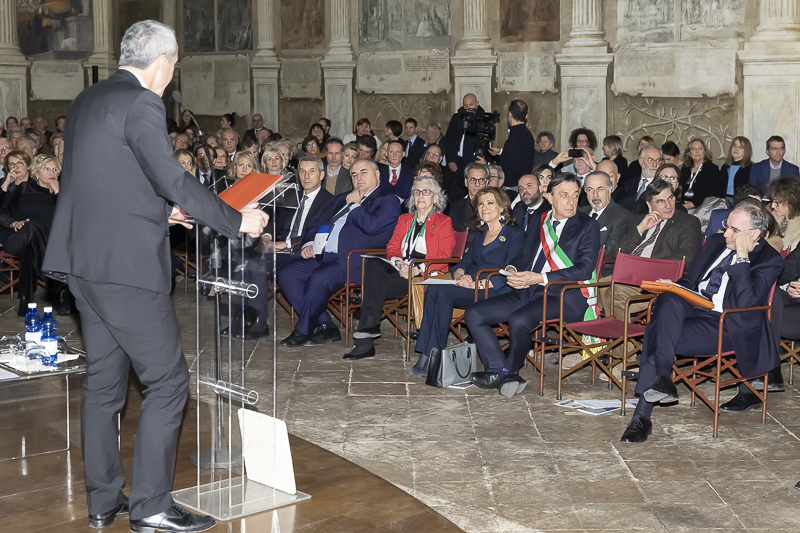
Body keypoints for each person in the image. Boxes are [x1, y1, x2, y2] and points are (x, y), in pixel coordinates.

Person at [41, 20, 269, 533]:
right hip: (125, 270)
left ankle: (103, 499)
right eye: (174, 63)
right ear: (162, 60)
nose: (171, 74)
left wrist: (160, 213)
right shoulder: (143, 101)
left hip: (84, 264)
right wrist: (237, 220)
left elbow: (102, 181)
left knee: (103, 384)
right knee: (168, 382)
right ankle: (151, 507)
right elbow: (170, 175)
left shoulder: (88, 100)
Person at [620, 203, 782, 443]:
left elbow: (746, 302)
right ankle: (662, 377)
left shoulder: (770, 259)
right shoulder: (716, 243)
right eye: (726, 226)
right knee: (668, 299)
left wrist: (742, 257)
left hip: (725, 324)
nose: (725, 233)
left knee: (658, 331)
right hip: (691, 307)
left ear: (754, 235)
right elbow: (690, 278)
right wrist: (675, 286)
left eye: (734, 230)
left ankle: (643, 414)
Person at [465, 173, 601, 398]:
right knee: (475, 313)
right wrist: (512, 270)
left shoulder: (588, 226)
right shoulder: (541, 219)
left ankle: (510, 371)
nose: (571, 201)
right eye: (564, 195)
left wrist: (540, 278)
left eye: (575, 196)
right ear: (549, 197)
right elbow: (524, 255)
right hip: (529, 289)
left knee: (519, 319)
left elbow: (584, 270)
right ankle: (499, 371)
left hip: (566, 295)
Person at [277, 158, 402, 347]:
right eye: (354, 174)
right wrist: (309, 242)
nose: (358, 178)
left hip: (353, 260)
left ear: (377, 175)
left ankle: (303, 331)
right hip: (323, 255)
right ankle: (327, 325)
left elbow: (372, 226)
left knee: (318, 278)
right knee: (288, 274)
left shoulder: (388, 200)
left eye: (363, 172)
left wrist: (355, 205)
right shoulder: (343, 197)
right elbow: (317, 222)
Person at [410, 187, 525, 376]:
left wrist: (476, 284)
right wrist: (459, 275)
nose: (484, 207)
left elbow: (511, 269)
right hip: (469, 285)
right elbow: (465, 261)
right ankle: (428, 352)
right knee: (433, 289)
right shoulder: (481, 233)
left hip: (493, 289)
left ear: (502, 208)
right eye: (480, 203)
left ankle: (433, 354)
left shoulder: (515, 234)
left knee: (443, 293)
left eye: (490, 203)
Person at [345, 176, 455, 360]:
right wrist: (399, 263)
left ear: (436, 197)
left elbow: (444, 257)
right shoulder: (405, 219)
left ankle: (365, 338)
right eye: (416, 192)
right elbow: (393, 247)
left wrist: (416, 268)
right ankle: (368, 331)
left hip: (425, 275)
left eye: (426, 192)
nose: (420, 195)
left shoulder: (443, 222)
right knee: (373, 265)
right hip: (401, 268)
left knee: (374, 286)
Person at [600, 179, 702, 320]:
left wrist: (647, 267)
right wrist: (641, 228)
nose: (668, 205)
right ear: (649, 204)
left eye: (670, 198)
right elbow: (619, 252)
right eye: (660, 201)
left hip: (656, 282)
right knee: (590, 289)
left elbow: (688, 258)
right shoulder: (638, 220)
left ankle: (622, 342)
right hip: (627, 276)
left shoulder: (688, 222)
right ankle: (600, 338)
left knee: (612, 295)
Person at [0, 154, 60, 315]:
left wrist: (58, 194)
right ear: (37, 172)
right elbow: (3, 212)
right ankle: (54, 283)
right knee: (31, 227)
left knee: (30, 250)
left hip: (45, 243)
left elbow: (69, 220)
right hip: (16, 237)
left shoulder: (61, 195)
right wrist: (12, 223)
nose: (51, 172)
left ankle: (26, 302)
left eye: (55, 169)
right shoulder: (24, 188)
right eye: (47, 169)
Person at [580, 170, 632, 261]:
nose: (595, 195)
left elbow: (609, 251)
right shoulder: (579, 213)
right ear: (585, 191)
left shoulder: (622, 216)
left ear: (610, 189)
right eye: (590, 189)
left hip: (601, 272)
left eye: (600, 189)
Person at [484, 99, 535, 188]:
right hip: (523, 182)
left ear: (510, 114)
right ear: (526, 116)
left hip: (512, 185)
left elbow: (509, 166)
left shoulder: (514, 136)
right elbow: (519, 156)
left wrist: (487, 164)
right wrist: (501, 152)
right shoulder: (528, 134)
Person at [444, 93, 484, 184]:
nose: (468, 108)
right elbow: (448, 140)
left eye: (471, 105)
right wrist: (450, 160)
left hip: (474, 161)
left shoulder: (482, 119)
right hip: (458, 160)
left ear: (477, 103)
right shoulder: (457, 118)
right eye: (465, 105)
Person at [680, 137, 723, 209]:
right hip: (683, 206)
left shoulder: (712, 169)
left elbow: (715, 194)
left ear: (705, 152)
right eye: (693, 149)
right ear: (689, 153)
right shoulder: (685, 169)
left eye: (700, 148)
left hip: (703, 208)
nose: (697, 151)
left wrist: (695, 204)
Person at [619, 145, 663, 213]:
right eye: (650, 160)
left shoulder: (662, 186)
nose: (655, 164)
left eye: (658, 160)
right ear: (641, 162)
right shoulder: (629, 184)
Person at [449, 162, 489, 233]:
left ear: (487, 183)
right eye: (473, 180)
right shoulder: (455, 207)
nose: (477, 184)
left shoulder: (494, 207)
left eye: (481, 180)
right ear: (466, 182)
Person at [768, 177, 800, 251]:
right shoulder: (773, 217)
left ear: (790, 202)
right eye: (772, 201)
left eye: (776, 203)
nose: (772, 206)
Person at [720, 136, 753, 200]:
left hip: (741, 201)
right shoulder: (725, 167)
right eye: (734, 146)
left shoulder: (751, 167)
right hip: (723, 200)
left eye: (740, 147)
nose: (736, 149)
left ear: (746, 151)